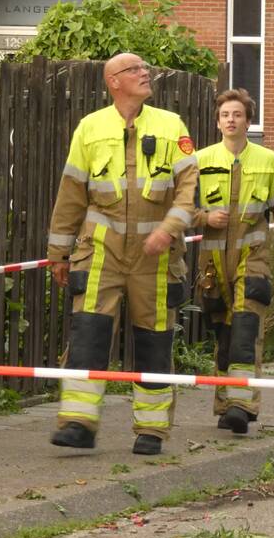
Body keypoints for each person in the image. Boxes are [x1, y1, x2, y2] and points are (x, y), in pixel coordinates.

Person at [47, 52, 198, 455]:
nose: (145, 73)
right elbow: (71, 195)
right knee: (89, 335)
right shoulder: (90, 128)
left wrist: (168, 230)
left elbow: (188, 189)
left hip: (158, 258)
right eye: (134, 70)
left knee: (154, 342)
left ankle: (151, 430)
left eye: (146, 68)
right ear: (113, 81)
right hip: (100, 253)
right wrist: (58, 253)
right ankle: (78, 422)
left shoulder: (171, 126)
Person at [195, 88, 274, 434]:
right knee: (223, 333)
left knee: (245, 329)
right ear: (217, 121)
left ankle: (242, 404)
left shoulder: (268, 160)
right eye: (225, 115)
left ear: (248, 121)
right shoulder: (200, 160)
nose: (231, 120)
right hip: (211, 264)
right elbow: (179, 207)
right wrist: (204, 218)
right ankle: (226, 404)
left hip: (252, 261)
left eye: (237, 114)